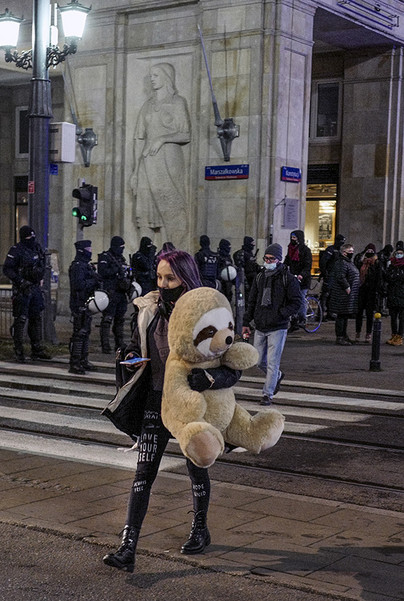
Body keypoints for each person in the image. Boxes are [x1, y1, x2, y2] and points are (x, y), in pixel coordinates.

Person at [102, 250, 241, 573]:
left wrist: (208, 378)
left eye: (171, 278)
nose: (163, 285)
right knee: (143, 475)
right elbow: (139, 345)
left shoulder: (207, 310)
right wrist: (132, 354)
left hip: (192, 406)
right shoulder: (149, 309)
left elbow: (234, 366)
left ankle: (200, 529)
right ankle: (128, 546)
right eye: (160, 277)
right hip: (156, 402)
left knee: (197, 469)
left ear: (186, 277)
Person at [130, 63, 191, 248]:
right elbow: (139, 138)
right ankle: (144, 255)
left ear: (166, 77)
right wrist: (134, 171)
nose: (152, 78)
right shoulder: (147, 106)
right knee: (145, 212)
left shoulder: (177, 102)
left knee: (170, 208)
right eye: (151, 75)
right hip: (147, 163)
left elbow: (186, 134)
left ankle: (173, 252)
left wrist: (162, 139)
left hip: (168, 161)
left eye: (156, 75)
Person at [242, 243, 301, 406]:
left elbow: (297, 302)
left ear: (279, 260)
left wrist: (281, 314)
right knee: (259, 360)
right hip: (261, 325)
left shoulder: (287, 278)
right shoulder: (260, 277)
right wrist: (246, 321)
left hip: (278, 326)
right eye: (266, 258)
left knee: (273, 362)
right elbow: (252, 300)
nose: (267, 261)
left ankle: (267, 394)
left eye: (271, 258)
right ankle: (278, 376)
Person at [2, 226, 51, 363]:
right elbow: (7, 269)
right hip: (22, 289)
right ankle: (19, 350)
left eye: (32, 237)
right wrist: (20, 281)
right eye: (28, 238)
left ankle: (36, 348)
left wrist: (40, 277)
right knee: (21, 319)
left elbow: (42, 264)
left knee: (36, 318)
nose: (31, 240)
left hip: (35, 287)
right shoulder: (16, 250)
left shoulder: (37, 248)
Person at [68, 239, 100, 374]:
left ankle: (83, 360)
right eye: (88, 249)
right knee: (79, 334)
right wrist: (94, 281)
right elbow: (79, 285)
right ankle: (75, 363)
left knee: (85, 332)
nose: (90, 251)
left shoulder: (85, 265)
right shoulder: (77, 266)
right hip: (78, 303)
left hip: (86, 302)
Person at [97, 236, 131, 354]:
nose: (122, 249)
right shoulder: (106, 257)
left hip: (121, 293)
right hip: (110, 292)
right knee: (107, 319)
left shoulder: (120, 258)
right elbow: (102, 272)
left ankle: (119, 343)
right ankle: (105, 345)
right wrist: (116, 270)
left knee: (120, 320)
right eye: (120, 247)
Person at [328, 243, 359, 346]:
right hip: (342, 294)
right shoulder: (341, 262)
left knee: (345, 316)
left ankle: (344, 335)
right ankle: (340, 337)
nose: (352, 253)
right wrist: (347, 287)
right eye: (350, 252)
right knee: (341, 316)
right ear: (344, 253)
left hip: (348, 294)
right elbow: (340, 276)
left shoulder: (348, 262)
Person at [283, 229, 313, 327]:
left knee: (300, 298)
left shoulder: (305, 250)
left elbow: (307, 266)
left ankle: (302, 318)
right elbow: (287, 261)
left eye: (295, 237)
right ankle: (294, 320)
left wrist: (302, 275)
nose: (293, 239)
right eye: (292, 237)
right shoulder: (290, 249)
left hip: (303, 279)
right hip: (293, 278)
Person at [354, 244, 382, 343]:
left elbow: (379, 277)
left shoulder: (377, 262)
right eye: (368, 251)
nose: (369, 253)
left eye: (371, 251)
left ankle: (368, 334)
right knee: (359, 313)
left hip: (371, 291)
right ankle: (358, 332)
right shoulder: (361, 260)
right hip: (361, 290)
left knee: (370, 314)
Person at [319, 233, 346, 319]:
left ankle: (330, 312)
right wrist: (324, 272)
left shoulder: (339, 251)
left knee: (333, 295)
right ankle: (321, 314)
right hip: (329, 275)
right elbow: (323, 261)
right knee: (325, 295)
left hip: (336, 276)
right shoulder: (331, 250)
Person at [383, 244, 404, 345]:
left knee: (402, 317)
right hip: (392, 294)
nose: (398, 255)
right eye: (397, 253)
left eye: (401, 254)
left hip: (402, 295)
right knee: (393, 317)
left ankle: (400, 336)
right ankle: (394, 335)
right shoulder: (391, 265)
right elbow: (387, 277)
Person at [233, 236, 261, 301]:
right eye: (252, 244)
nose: (253, 246)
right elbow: (241, 270)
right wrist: (245, 285)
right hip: (246, 282)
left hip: (253, 282)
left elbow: (254, 266)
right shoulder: (241, 253)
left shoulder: (250, 253)